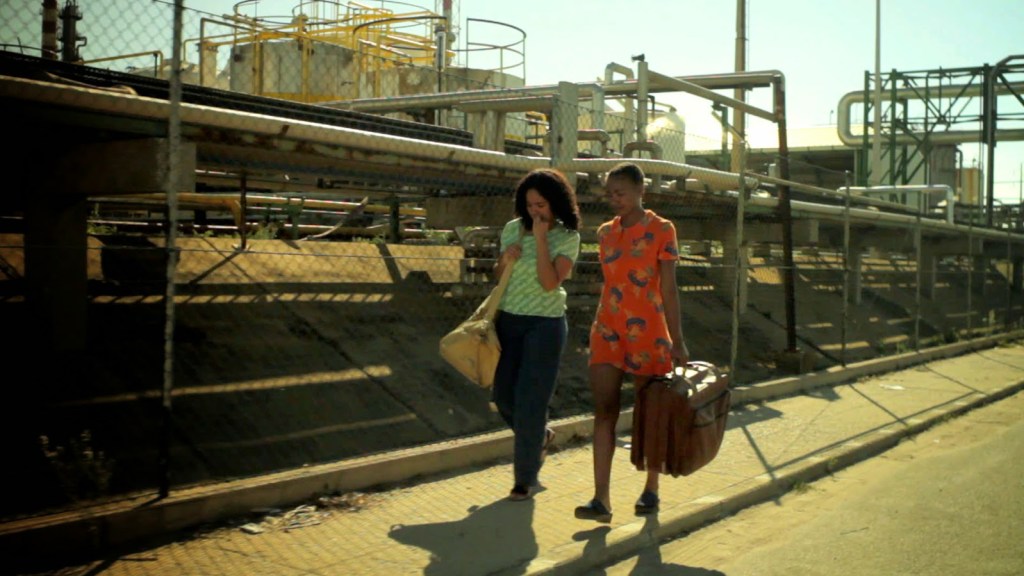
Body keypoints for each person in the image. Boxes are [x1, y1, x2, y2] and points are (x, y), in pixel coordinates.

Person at [575, 161, 689, 522]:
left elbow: (669, 288)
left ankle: (651, 488)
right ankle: (601, 499)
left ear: (641, 191)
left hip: (650, 332)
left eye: (621, 193)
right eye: (610, 193)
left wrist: (677, 340)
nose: (614, 199)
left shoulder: (662, 229)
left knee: (649, 411)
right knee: (604, 410)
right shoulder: (605, 232)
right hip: (607, 330)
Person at [492, 167, 582, 501]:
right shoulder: (512, 229)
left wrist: (541, 239)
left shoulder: (568, 236)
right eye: (530, 205)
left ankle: (524, 479)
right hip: (509, 321)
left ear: (556, 203)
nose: (535, 212)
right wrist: (505, 259)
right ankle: (539, 437)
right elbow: (499, 274)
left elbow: (549, 282)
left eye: (541, 205)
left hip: (545, 325)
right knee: (503, 396)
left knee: (531, 402)